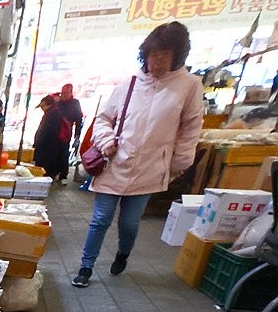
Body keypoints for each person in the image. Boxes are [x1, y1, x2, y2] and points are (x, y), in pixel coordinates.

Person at [72, 22, 203, 287]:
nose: (158, 60)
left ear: (177, 55)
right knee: (100, 219)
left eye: (165, 54)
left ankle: (123, 253)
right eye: (154, 54)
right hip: (115, 163)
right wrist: (106, 139)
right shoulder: (129, 85)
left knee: (130, 223)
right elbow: (103, 119)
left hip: (151, 168)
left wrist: (179, 163)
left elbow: (191, 128)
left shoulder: (189, 86)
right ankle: (86, 267)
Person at [33, 94, 67, 181]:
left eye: (42, 106)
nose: (42, 109)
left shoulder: (52, 114)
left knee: (45, 173)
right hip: (50, 149)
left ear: (46, 104)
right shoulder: (54, 113)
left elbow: (45, 132)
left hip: (47, 150)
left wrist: (37, 144)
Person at [55, 83, 84, 183]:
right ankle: (54, 172)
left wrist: (77, 133)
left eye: (66, 93)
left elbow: (79, 119)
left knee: (64, 152)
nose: (64, 95)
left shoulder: (75, 103)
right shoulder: (58, 102)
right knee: (54, 152)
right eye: (63, 93)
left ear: (71, 93)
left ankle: (63, 174)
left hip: (66, 131)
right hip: (55, 130)